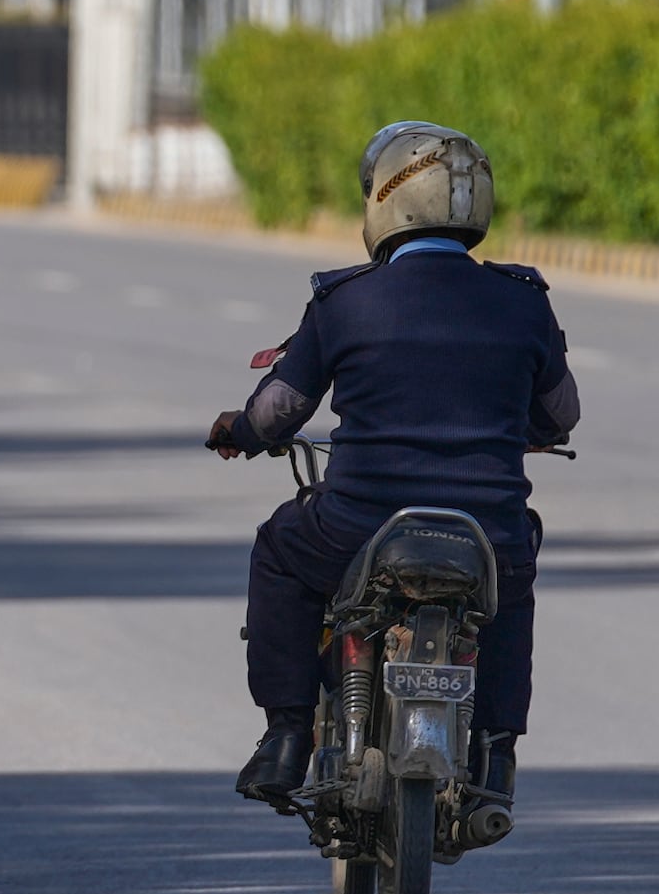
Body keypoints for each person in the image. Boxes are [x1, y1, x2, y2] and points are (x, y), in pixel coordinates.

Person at [210, 121, 579, 826]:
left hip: (357, 527)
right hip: (484, 533)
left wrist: (239, 431)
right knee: (516, 580)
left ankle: (286, 736)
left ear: (385, 202)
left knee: (280, 551)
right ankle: (497, 751)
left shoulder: (344, 301)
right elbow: (563, 410)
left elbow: (279, 409)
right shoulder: (525, 301)